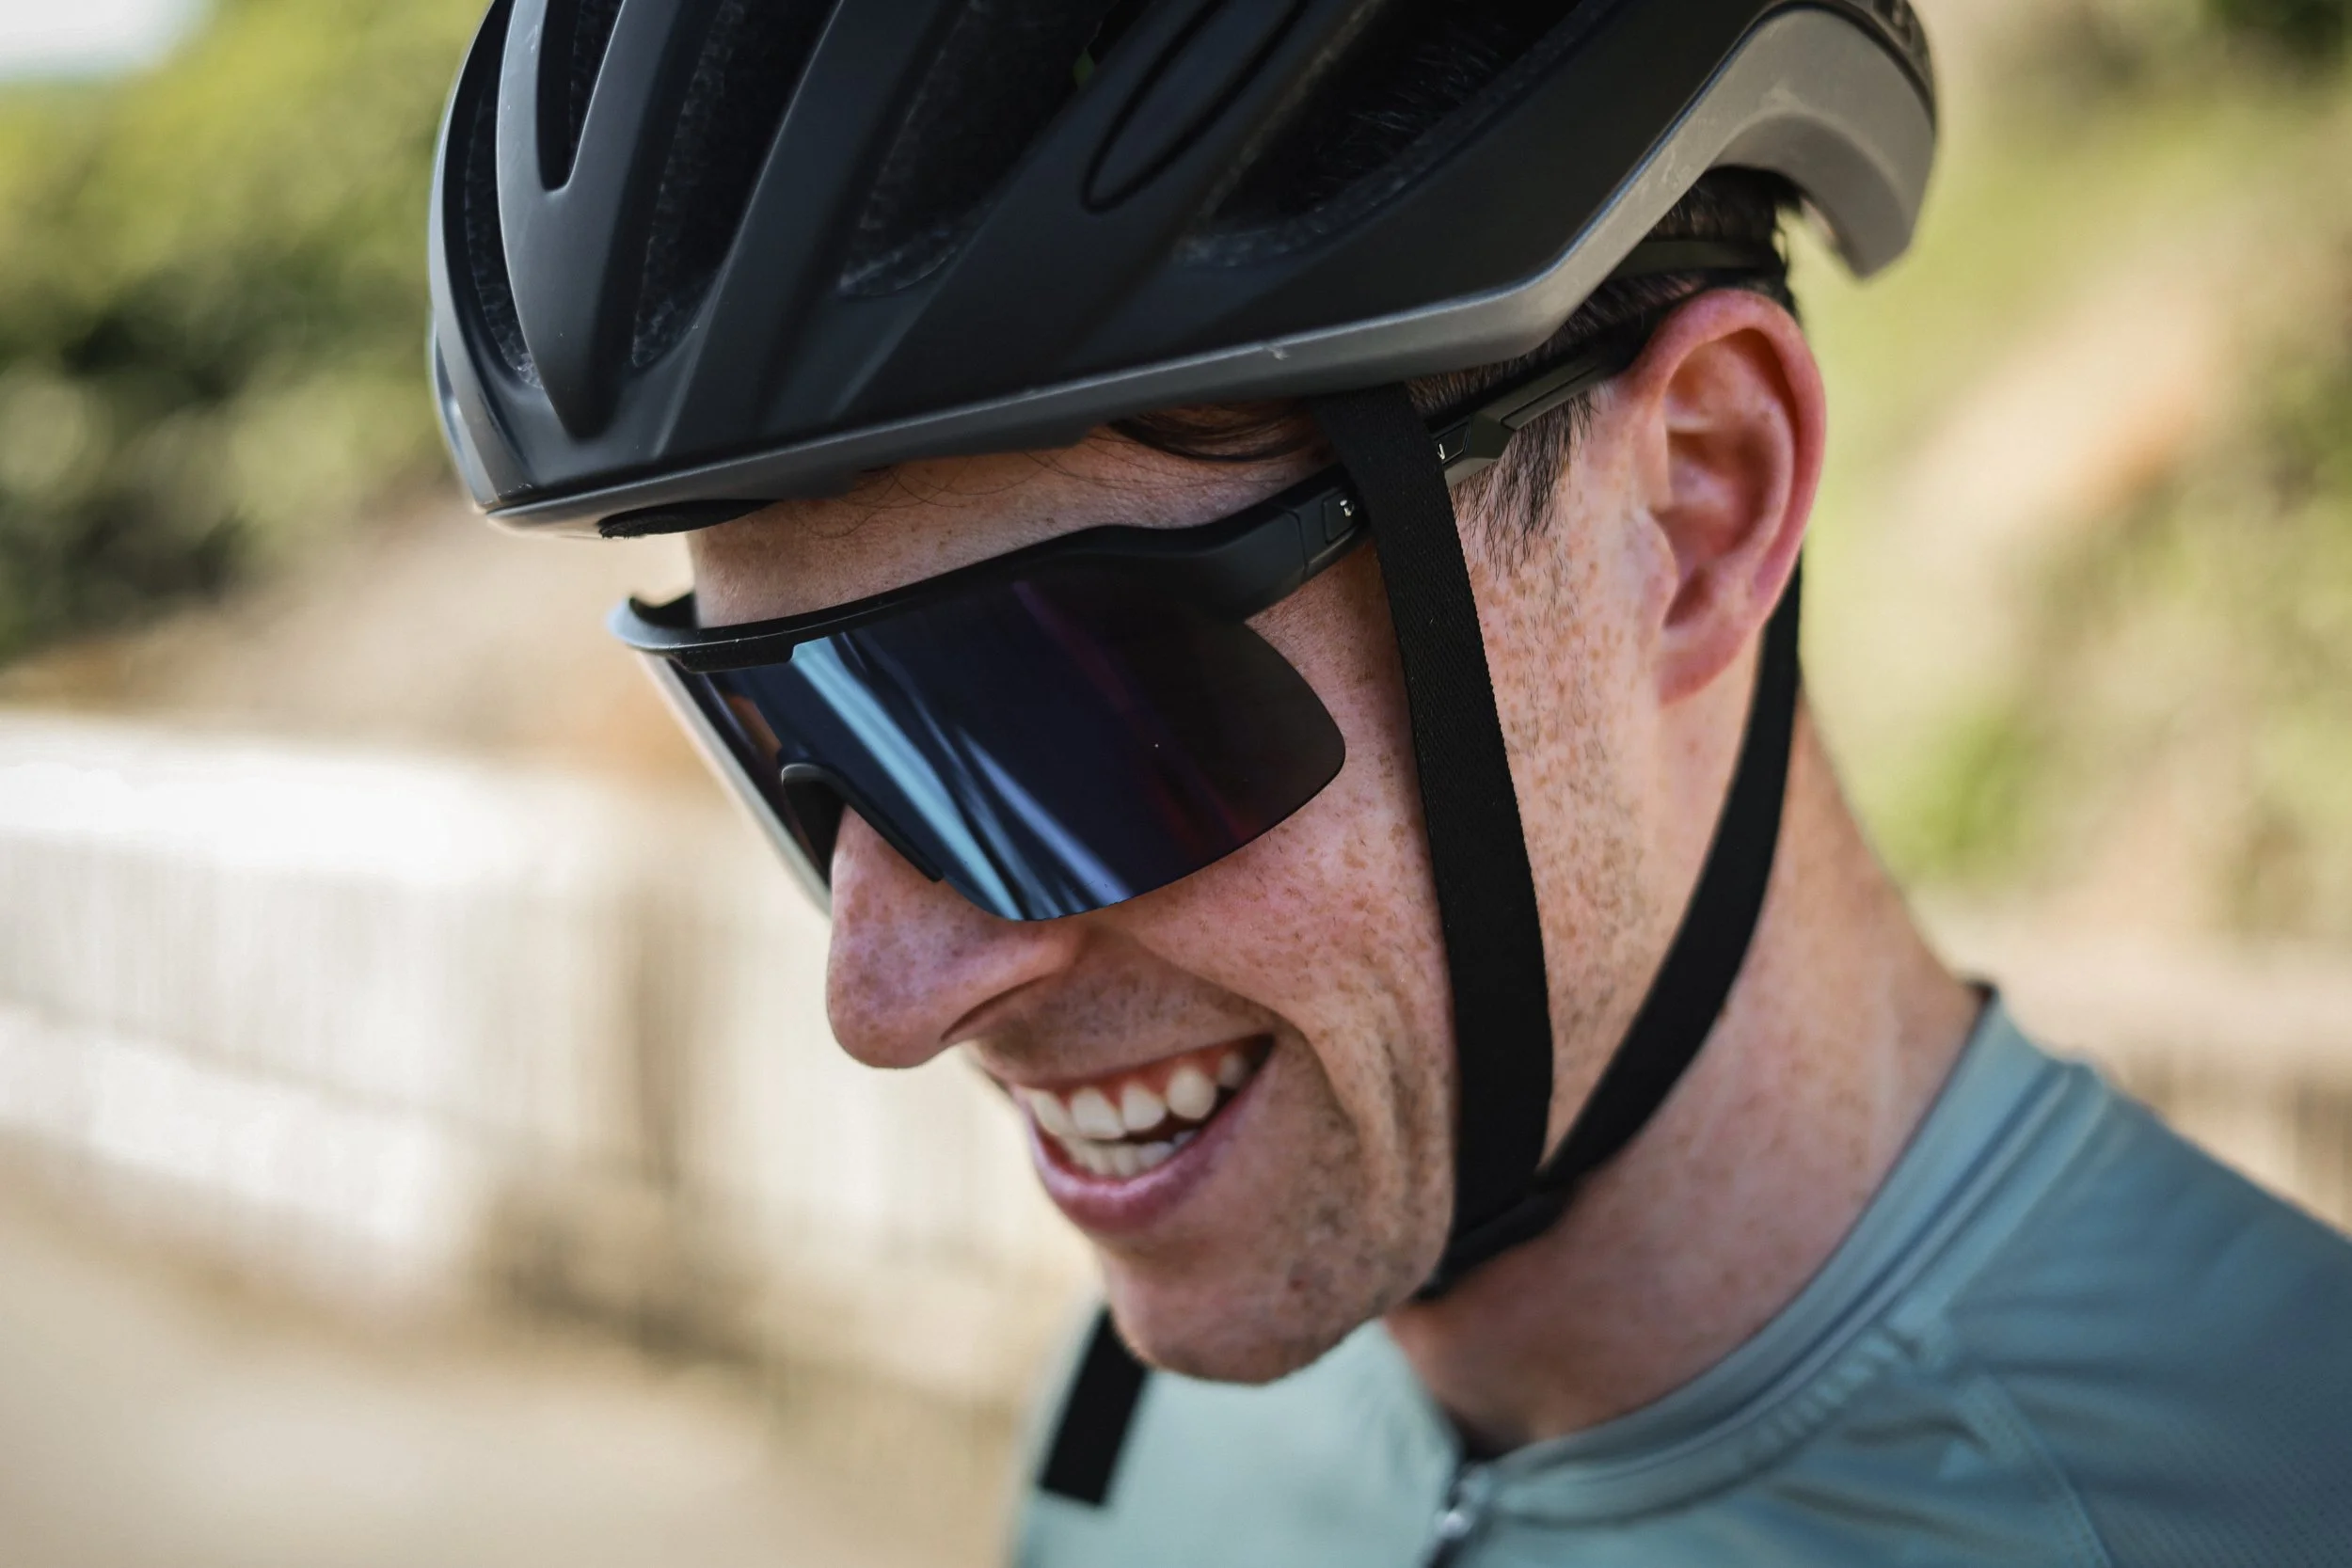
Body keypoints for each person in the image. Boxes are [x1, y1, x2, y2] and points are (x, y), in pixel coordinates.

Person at [429, 2, 2352, 1562]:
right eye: (782, 737)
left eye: (1038, 724)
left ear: (1692, 507)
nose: (882, 998)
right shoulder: (1141, 1435)